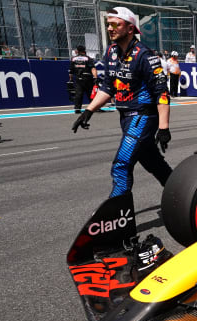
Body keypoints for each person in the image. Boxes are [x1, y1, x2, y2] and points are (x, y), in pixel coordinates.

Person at [71, 6, 173, 198]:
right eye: (108, 25)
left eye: (115, 24)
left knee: (121, 164)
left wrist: (164, 127)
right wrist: (89, 110)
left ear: (130, 28)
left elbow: (162, 93)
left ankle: (117, 213)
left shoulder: (145, 55)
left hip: (143, 116)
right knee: (152, 162)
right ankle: (183, 193)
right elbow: (108, 88)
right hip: (125, 118)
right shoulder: (111, 52)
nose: (110, 28)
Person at [68, 45, 98, 114]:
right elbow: (93, 68)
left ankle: (77, 108)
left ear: (77, 51)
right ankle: (93, 107)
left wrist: (71, 79)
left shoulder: (73, 59)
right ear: (84, 51)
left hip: (78, 79)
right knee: (91, 94)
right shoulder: (88, 58)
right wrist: (95, 77)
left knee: (78, 94)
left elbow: (71, 71)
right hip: (88, 78)